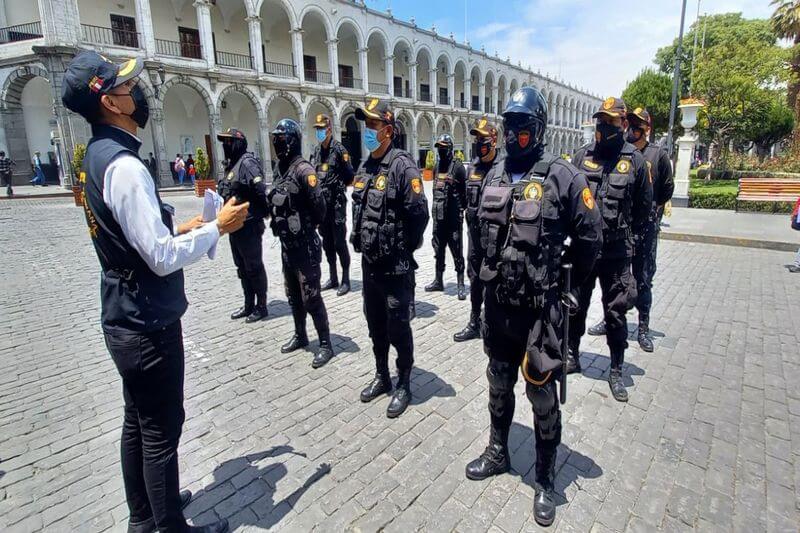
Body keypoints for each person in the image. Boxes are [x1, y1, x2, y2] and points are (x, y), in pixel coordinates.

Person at [61, 50, 247, 533]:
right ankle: (168, 526)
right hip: (147, 323)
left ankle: (145, 515)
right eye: (125, 87)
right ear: (110, 102)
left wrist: (184, 225)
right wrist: (217, 229)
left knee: (137, 422)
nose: (135, 92)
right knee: (161, 429)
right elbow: (160, 257)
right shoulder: (123, 165)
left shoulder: (98, 156)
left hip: (124, 312)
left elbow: (135, 237)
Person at [464, 87, 602, 527]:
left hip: (540, 309)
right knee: (498, 381)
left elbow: (591, 237)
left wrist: (572, 289)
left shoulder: (561, 174)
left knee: (541, 394)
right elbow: (478, 233)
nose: (513, 133)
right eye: (509, 125)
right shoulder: (495, 173)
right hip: (500, 305)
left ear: (538, 129)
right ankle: (498, 450)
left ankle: (545, 477)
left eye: (522, 126)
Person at [569, 97, 652, 402]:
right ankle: (571, 355)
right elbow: (570, 200)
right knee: (574, 307)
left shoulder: (636, 161)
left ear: (624, 124)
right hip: (585, 250)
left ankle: (616, 368)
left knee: (615, 314)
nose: (604, 126)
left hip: (617, 252)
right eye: (601, 121)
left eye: (611, 121)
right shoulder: (581, 157)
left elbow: (644, 211)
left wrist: (628, 241)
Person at [351, 98, 429, 418]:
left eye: (373, 125)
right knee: (375, 324)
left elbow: (419, 214)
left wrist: (402, 246)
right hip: (370, 265)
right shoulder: (365, 165)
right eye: (365, 125)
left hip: (395, 266)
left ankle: (404, 382)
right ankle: (382, 375)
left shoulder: (403, 165)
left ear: (389, 130)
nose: (368, 130)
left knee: (399, 327)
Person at [587, 108, 674, 352]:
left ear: (647, 127)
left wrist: (647, 216)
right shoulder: (619, 153)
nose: (635, 128)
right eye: (632, 124)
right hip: (621, 231)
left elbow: (665, 190)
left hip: (644, 231)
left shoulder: (657, 155)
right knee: (616, 285)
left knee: (643, 279)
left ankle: (643, 328)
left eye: (640, 124)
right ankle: (609, 319)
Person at [267, 118, 335, 368]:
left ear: (293, 141)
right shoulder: (280, 168)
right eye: (276, 139)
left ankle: (326, 343)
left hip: (305, 244)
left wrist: (306, 226)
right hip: (287, 246)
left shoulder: (304, 170)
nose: (277, 143)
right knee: (293, 295)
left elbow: (320, 208)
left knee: (311, 297)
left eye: (282, 139)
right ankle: (300, 335)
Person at [454, 117, 501, 342]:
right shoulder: (473, 166)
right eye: (477, 138)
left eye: (483, 138)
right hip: (474, 236)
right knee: (475, 279)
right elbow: (465, 199)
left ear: (495, 139)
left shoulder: (504, 168)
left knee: (494, 280)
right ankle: (474, 320)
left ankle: (493, 323)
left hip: (496, 238)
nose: (479, 142)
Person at [217, 128, 270, 322]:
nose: (225, 146)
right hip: (235, 226)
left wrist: (263, 214)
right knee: (241, 266)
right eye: (224, 142)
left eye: (229, 142)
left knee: (254, 266)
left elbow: (260, 190)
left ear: (238, 143)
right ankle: (248, 304)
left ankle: (261, 306)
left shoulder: (247, 163)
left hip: (249, 225)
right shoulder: (232, 165)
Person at [310, 114, 355, 296]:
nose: (320, 132)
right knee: (327, 242)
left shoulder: (339, 150)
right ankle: (333, 276)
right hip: (322, 206)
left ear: (329, 129)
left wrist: (336, 186)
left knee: (339, 241)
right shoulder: (316, 151)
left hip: (336, 204)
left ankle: (345, 279)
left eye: (322, 129)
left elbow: (350, 176)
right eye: (317, 129)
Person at [424, 133, 467, 300]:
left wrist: (460, 211)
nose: (441, 151)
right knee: (438, 249)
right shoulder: (437, 166)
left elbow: (464, 194)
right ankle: (438, 280)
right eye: (439, 148)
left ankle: (461, 284)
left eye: (443, 148)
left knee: (457, 251)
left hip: (453, 218)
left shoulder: (458, 167)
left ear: (450, 149)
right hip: (439, 218)